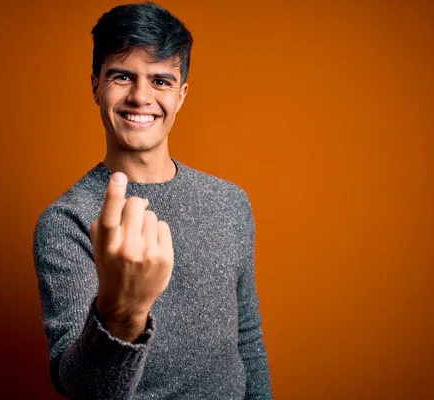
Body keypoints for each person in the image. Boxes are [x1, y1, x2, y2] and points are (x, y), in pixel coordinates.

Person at [33, 2, 273, 399]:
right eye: (122, 76)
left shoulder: (230, 202)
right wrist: (122, 313)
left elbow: (246, 335)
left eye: (160, 80)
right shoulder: (66, 221)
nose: (140, 96)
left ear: (181, 95)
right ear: (96, 85)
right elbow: (80, 387)